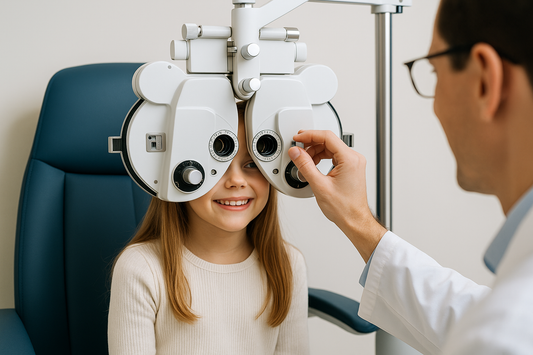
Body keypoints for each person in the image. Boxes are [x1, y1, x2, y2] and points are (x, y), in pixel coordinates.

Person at [288, 0, 533, 353]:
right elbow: (470, 315)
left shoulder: (503, 334)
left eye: (434, 72)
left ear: (484, 81)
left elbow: (491, 328)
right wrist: (358, 220)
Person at [108, 102, 309, 355]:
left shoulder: (288, 263)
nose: (236, 180)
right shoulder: (141, 268)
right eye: (218, 163)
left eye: (252, 165)